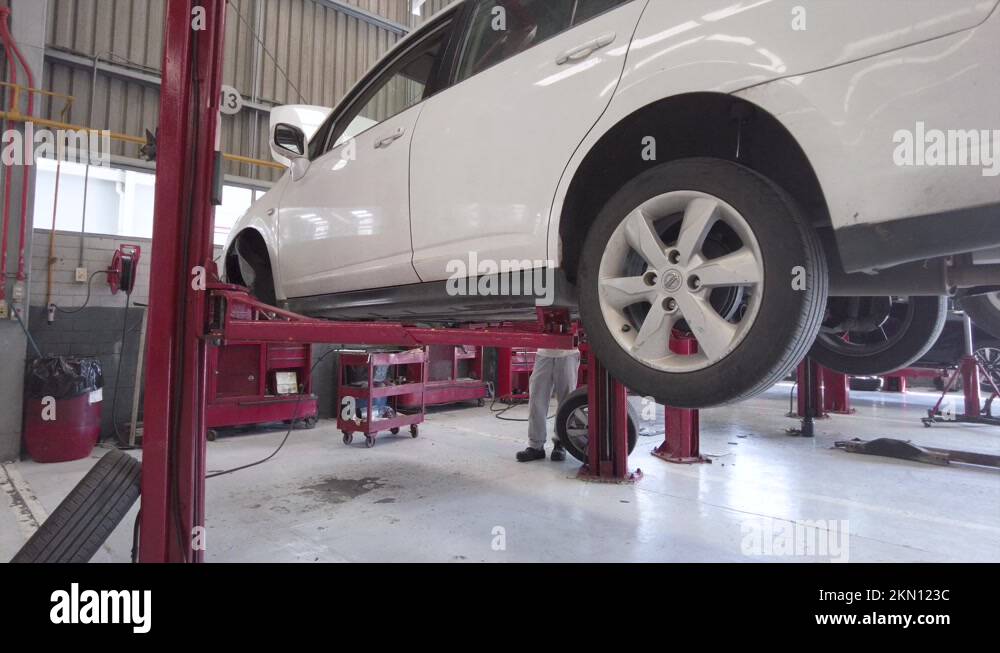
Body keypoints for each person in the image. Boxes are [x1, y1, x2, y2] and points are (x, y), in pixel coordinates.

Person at [516, 347, 581, 462]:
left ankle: (561, 444)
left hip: (568, 354)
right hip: (543, 354)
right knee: (537, 399)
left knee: (566, 402)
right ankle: (536, 446)